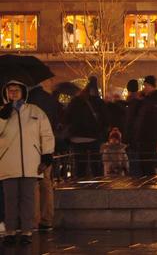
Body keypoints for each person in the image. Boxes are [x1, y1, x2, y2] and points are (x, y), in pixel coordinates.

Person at [0, 81, 55, 246]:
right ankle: (10, 231)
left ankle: (27, 231)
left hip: (31, 163)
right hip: (8, 163)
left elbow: (45, 134)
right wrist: (3, 117)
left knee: (28, 199)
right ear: (6, 93)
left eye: (17, 90)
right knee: (10, 200)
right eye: (11, 91)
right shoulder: (2, 112)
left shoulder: (35, 111)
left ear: (23, 92)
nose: (14, 93)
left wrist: (46, 155)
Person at [28, 81, 57, 232]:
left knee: (33, 183)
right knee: (46, 183)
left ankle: (34, 219)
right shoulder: (50, 98)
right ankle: (47, 219)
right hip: (48, 144)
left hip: (33, 146)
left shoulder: (29, 101)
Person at [64, 76, 106, 178]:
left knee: (79, 164)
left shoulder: (75, 102)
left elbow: (66, 118)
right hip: (94, 137)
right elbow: (105, 119)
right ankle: (98, 183)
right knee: (96, 164)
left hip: (77, 137)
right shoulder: (98, 102)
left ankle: (80, 182)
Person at [134, 76, 157, 175]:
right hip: (145, 136)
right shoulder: (148, 100)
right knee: (145, 162)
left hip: (149, 137)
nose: (144, 88)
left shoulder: (154, 101)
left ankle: (149, 182)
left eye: (146, 85)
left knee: (147, 162)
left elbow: (154, 120)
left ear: (151, 86)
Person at [124, 79, 142, 176]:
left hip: (132, 139)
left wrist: (126, 138)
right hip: (139, 138)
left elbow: (129, 123)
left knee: (133, 164)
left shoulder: (131, 103)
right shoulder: (140, 101)